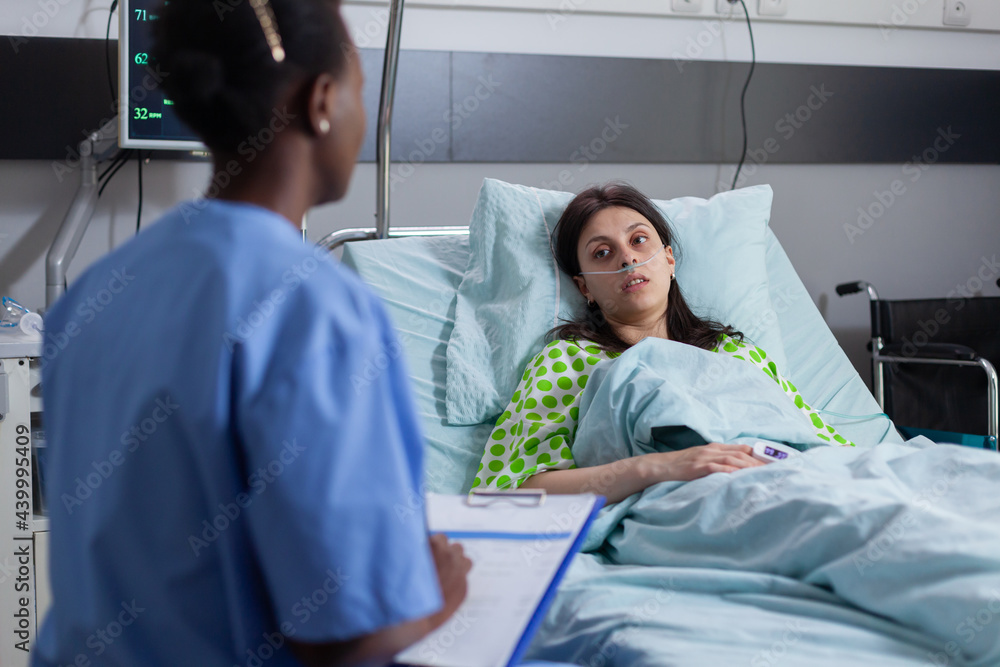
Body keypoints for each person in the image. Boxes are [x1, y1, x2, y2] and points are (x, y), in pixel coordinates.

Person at [33, 1, 470, 666]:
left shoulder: (94, 291)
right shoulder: (313, 308)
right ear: (322, 101)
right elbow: (340, 638)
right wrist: (438, 598)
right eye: (358, 87)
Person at [472, 183, 855, 502]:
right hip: (689, 504)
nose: (627, 259)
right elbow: (512, 490)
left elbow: (821, 443)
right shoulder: (570, 360)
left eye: (639, 240)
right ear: (584, 287)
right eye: (602, 253)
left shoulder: (735, 353)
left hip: (799, 481)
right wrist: (662, 467)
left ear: (669, 260)